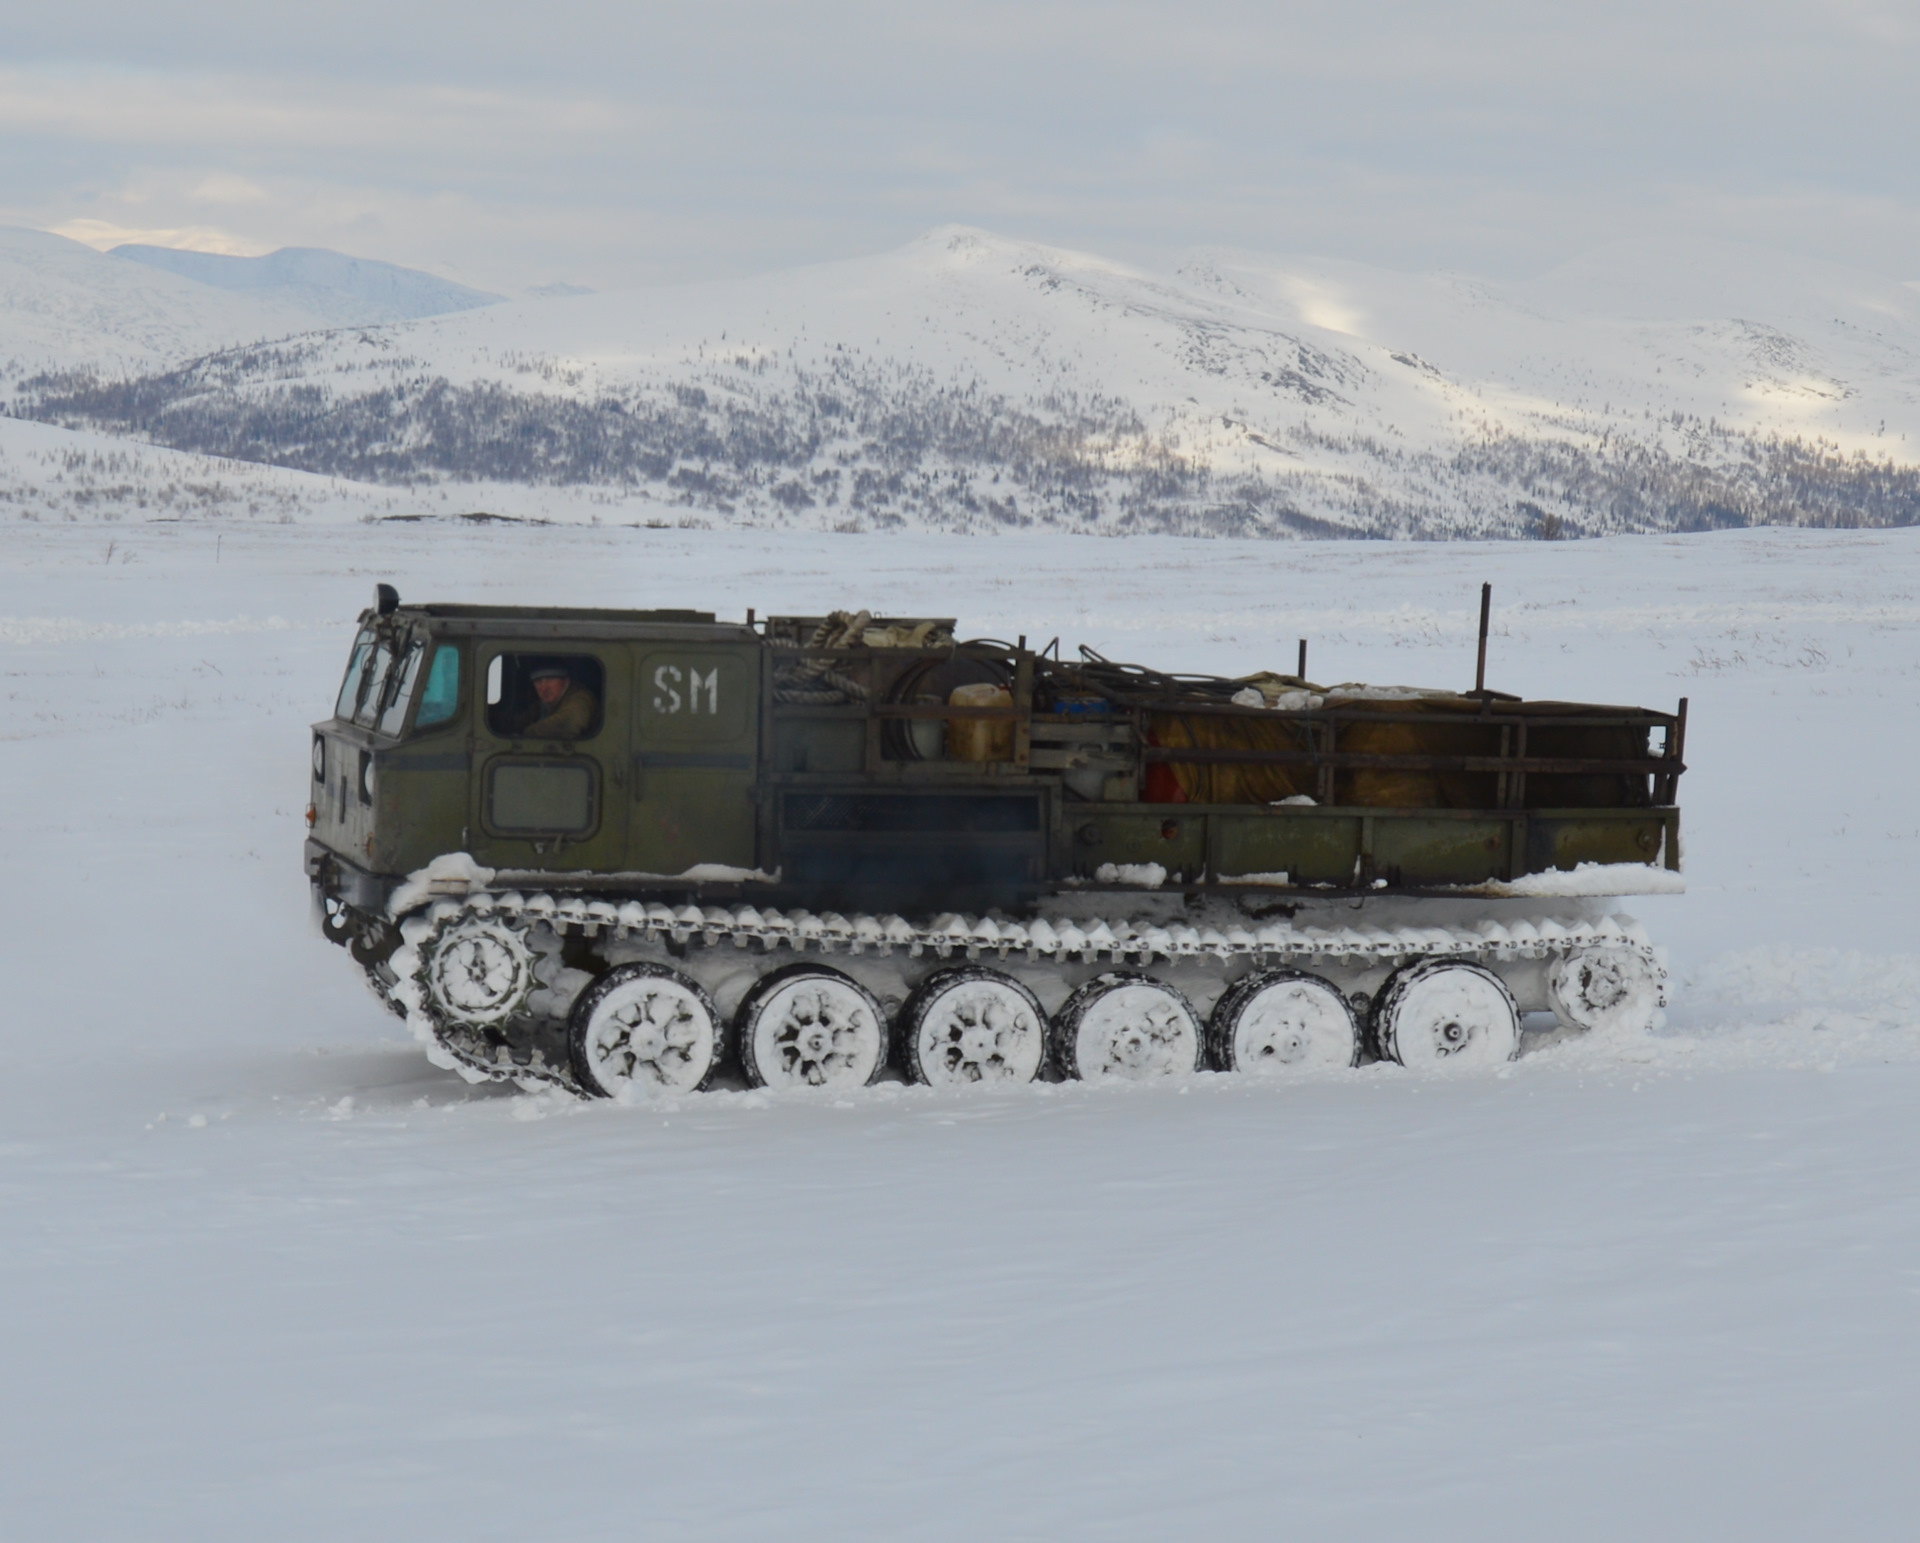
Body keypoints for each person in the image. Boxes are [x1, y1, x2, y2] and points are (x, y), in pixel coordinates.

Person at [514, 663, 598, 739]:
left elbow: (568, 723)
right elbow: (525, 719)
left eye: (550, 680)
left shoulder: (582, 698)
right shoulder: (544, 705)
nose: (543, 688)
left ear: (566, 681)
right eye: (538, 681)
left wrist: (526, 734)